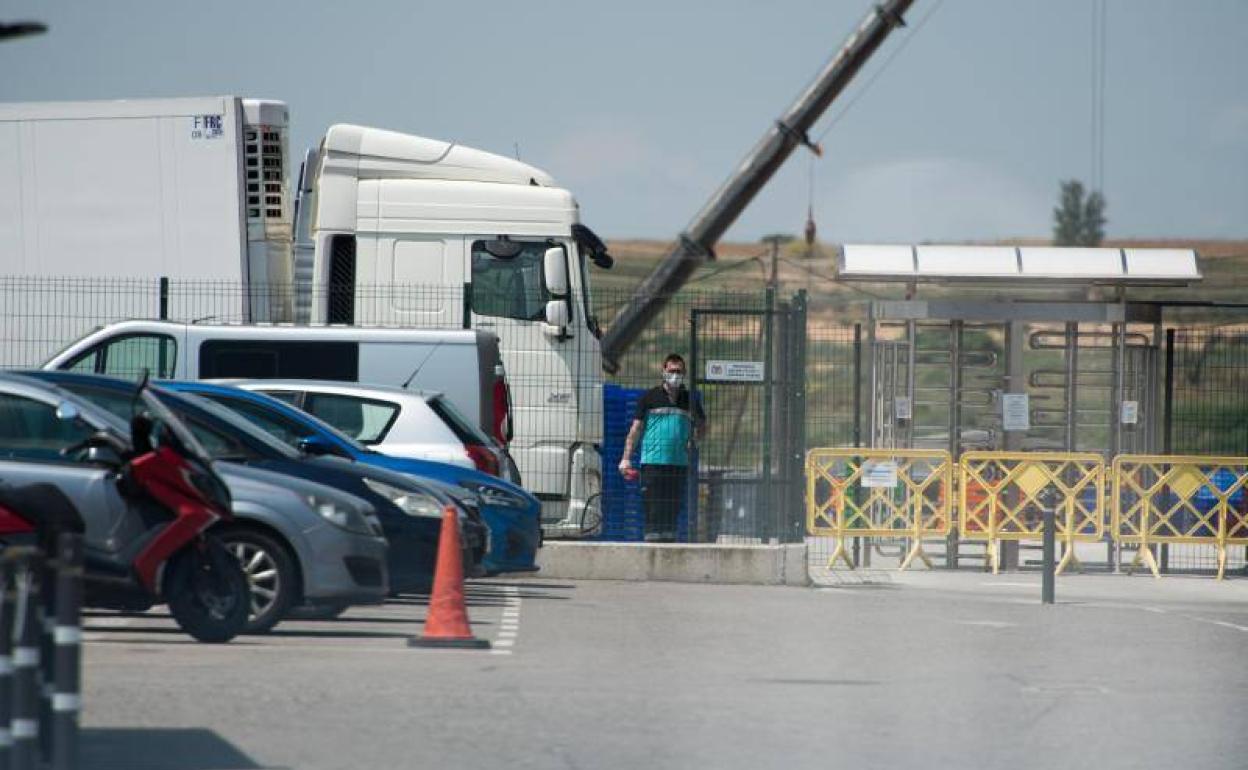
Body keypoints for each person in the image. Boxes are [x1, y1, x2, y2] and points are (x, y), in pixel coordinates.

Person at [619, 353, 706, 542]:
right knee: (653, 504)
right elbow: (635, 429)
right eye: (672, 370)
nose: (675, 374)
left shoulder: (690, 400)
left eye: (679, 371)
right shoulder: (649, 397)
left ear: (684, 374)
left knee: (673, 504)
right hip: (652, 461)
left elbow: (702, 425)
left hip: (678, 462)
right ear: (664, 372)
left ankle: (669, 542)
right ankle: (652, 541)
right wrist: (626, 458)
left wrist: (695, 440)